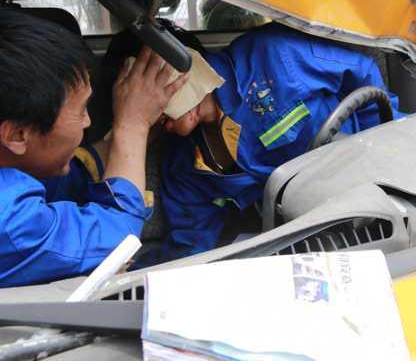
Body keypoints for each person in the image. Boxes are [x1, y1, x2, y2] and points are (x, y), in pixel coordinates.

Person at [140, 22, 402, 262]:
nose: (161, 120)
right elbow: (192, 243)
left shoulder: (271, 57)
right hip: (313, 231)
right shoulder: (184, 165)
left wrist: (378, 152)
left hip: (382, 181)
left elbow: (362, 73)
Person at [0, 10, 186, 287]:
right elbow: (118, 243)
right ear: (17, 134)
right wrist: (132, 124)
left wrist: (133, 132)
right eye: (80, 110)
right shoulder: (10, 222)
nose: (88, 122)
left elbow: (59, 177)